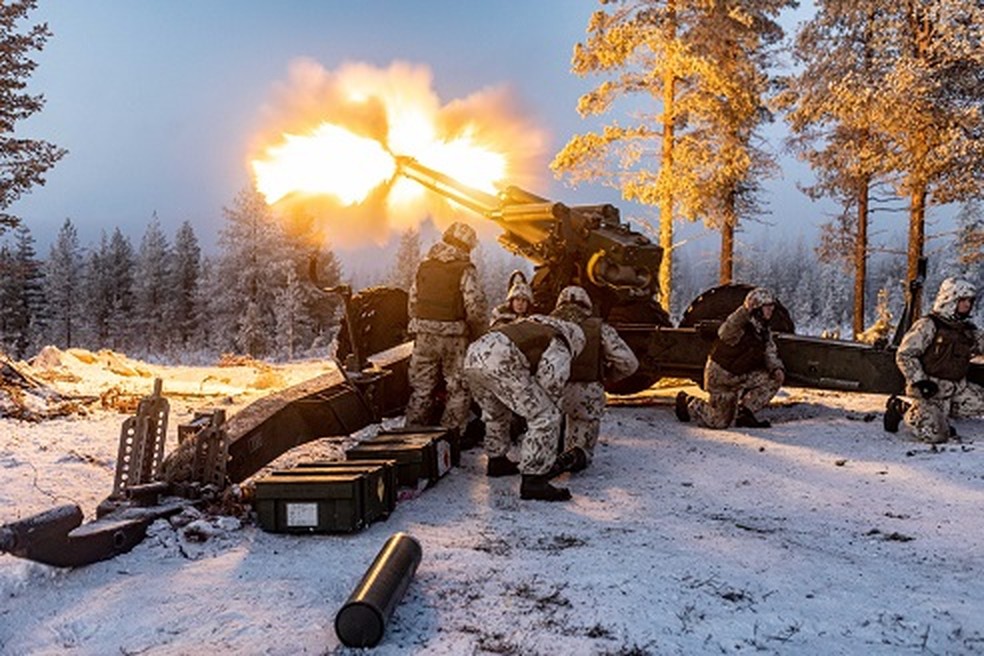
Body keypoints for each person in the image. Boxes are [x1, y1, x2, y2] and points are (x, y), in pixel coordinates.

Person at [463, 298, 585, 501]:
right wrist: (543, 409)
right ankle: (534, 481)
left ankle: (497, 461)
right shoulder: (560, 339)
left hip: (474, 357)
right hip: (500, 361)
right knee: (546, 415)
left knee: (495, 412)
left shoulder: (533, 325)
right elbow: (552, 379)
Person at [405, 221, 488, 436]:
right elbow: (476, 307)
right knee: (458, 387)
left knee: (421, 388)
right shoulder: (464, 269)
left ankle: (412, 436)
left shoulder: (424, 266)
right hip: (454, 337)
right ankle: (450, 439)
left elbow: (413, 301)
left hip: (423, 335)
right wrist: (479, 335)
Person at [884, 277, 984, 442]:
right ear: (950, 299)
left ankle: (940, 416)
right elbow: (905, 354)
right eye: (963, 300)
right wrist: (920, 381)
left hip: (957, 389)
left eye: (970, 301)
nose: (968, 305)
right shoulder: (928, 325)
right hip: (930, 390)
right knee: (936, 435)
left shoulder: (967, 329)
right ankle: (901, 407)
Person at [553, 286, 639, 474]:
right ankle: (574, 455)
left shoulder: (547, 326)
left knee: (546, 427)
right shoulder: (599, 328)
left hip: (553, 391)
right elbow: (629, 363)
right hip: (587, 392)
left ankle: (549, 453)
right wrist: (608, 377)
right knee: (583, 443)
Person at [675, 287, 785, 429]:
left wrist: (776, 368)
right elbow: (724, 332)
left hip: (740, 376)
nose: (771, 310)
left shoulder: (763, 329)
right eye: (767, 307)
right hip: (721, 379)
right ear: (757, 307)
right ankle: (688, 401)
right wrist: (744, 311)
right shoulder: (738, 326)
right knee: (719, 422)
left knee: (773, 379)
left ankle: (744, 412)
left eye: (772, 307)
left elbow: (770, 351)